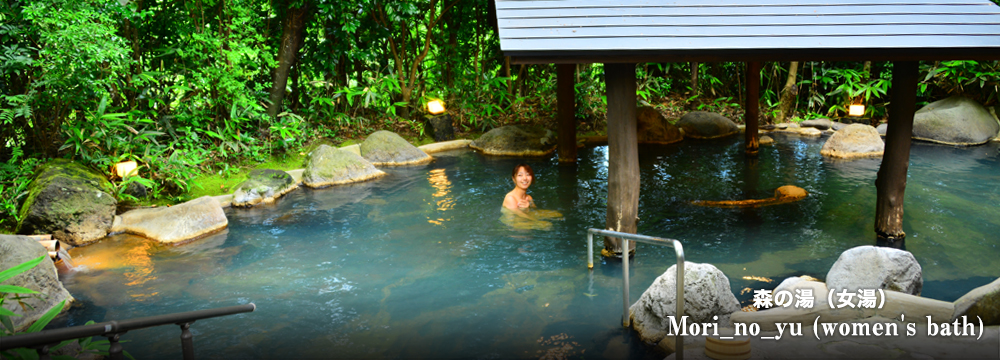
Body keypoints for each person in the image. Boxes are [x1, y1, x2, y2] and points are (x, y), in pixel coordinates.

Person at [500, 164, 563, 230]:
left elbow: (535, 211)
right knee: (548, 225)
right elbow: (519, 215)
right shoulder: (510, 198)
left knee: (557, 214)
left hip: (524, 219)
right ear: (514, 179)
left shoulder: (529, 197)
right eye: (520, 175)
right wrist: (538, 222)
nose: (525, 178)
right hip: (513, 225)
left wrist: (528, 207)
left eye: (528, 174)